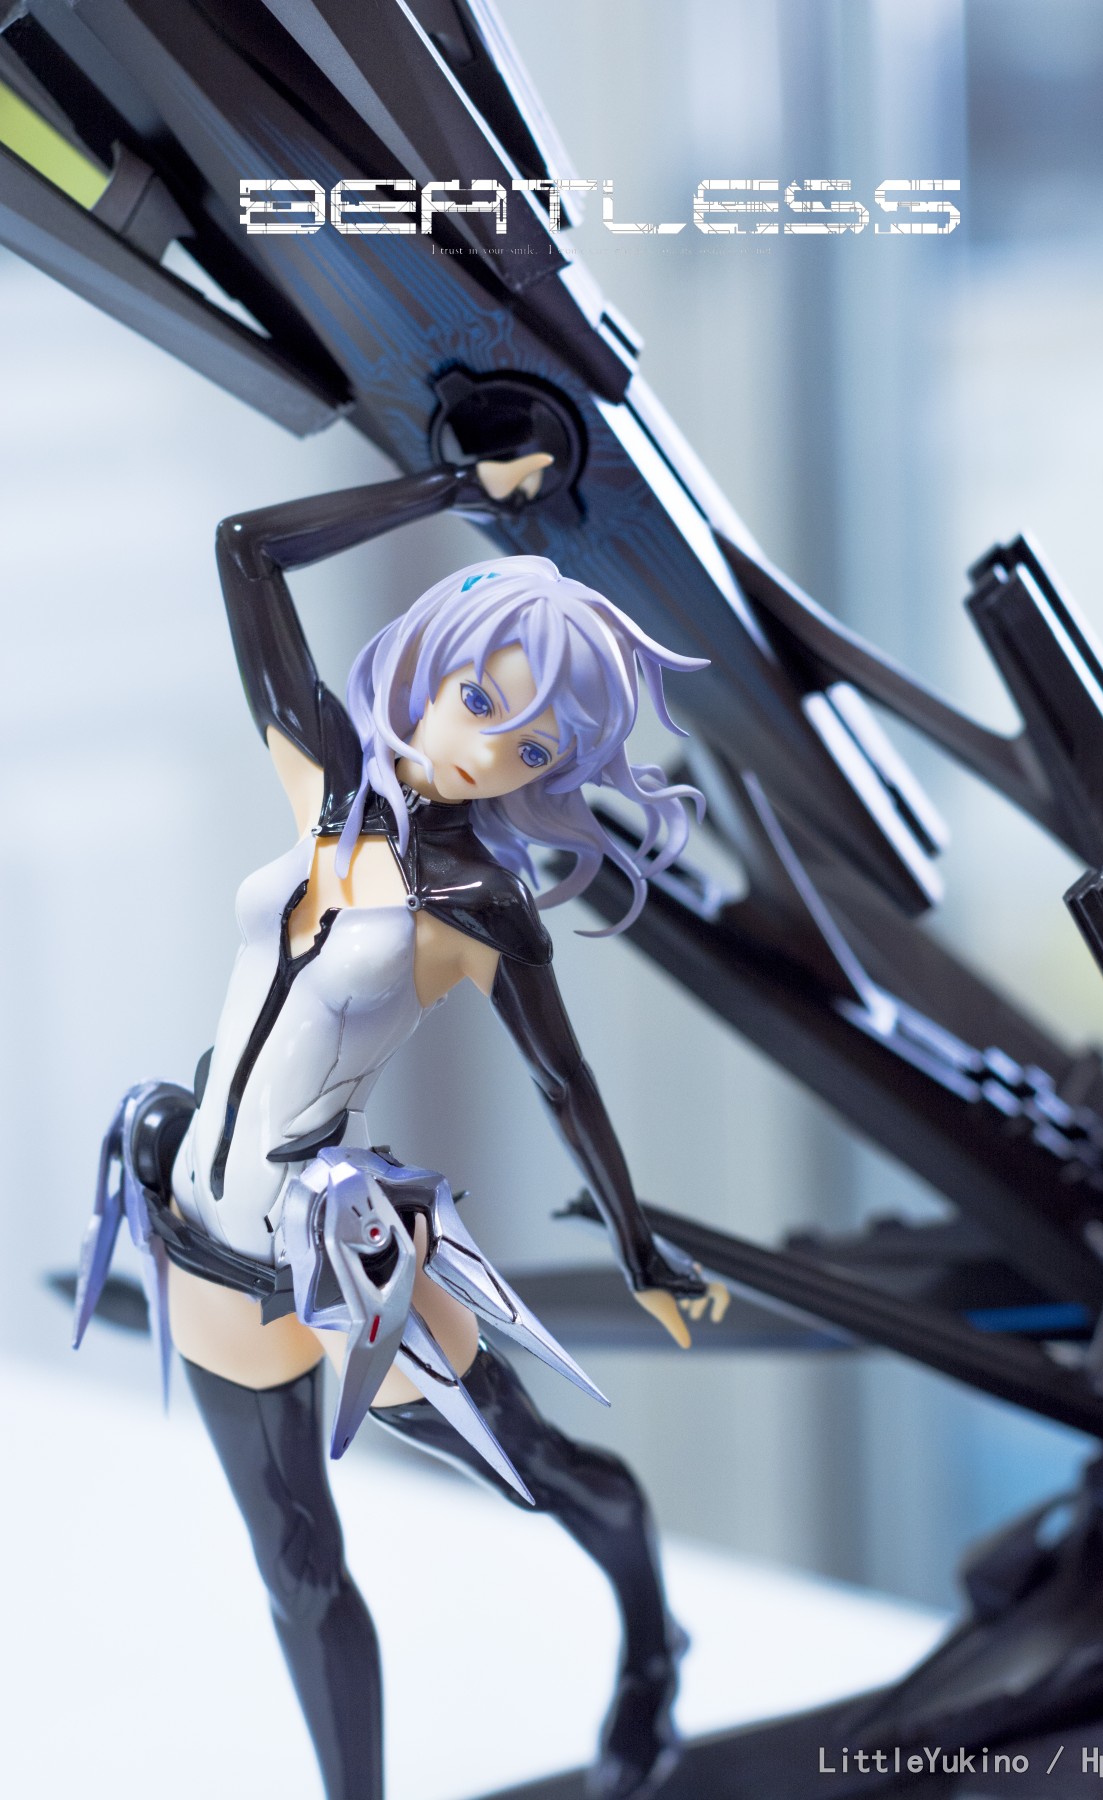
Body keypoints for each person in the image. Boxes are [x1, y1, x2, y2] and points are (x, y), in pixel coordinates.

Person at [75, 451, 726, 1800]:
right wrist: (453, 484)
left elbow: (565, 1081)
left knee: (538, 1472)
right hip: (202, 1224)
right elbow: (246, 546)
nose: (488, 750)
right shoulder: (324, 777)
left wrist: (639, 1249)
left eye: (534, 749)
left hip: (344, 1248)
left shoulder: (484, 904)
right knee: (299, 1571)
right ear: (433, 662)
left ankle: (653, 1645)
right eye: (482, 700)